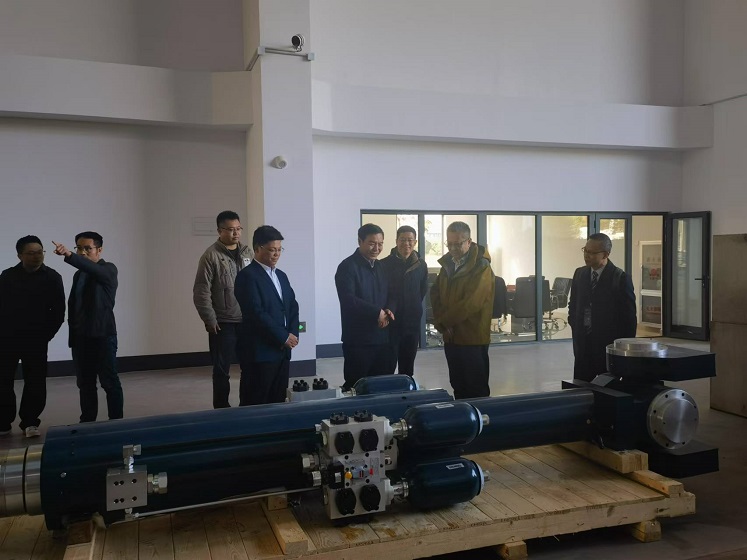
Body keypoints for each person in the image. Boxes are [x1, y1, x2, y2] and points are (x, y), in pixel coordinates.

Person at [53, 232, 122, 422]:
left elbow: (94, 270)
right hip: (81, 338)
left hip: (103, 336)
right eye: (78, 248)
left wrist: (69, 255)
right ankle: (88, 421)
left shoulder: (109, 269)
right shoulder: (79, 274)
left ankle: (117, 422)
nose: (82, 252)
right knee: (85, 383)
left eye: (87, 248)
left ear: (99, 250)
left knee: (109, 382)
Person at [0, 236, 65, 437]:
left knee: (35, 381)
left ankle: (30, 422)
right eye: (31, 253)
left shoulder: (52, 277)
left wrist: (46, 335)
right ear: (20, 255)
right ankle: (3, 421)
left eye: (40, 252)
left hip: (36, 339)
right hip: (7, 338)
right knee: (3, 380)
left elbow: (58, 311)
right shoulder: (7, 277)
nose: (37, 256)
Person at [193, 211, 253, 408]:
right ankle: (221, 408)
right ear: (220, 231)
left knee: (249, 366)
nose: (236, 233)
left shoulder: (247, 252)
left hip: (247, 321)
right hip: (223, 322)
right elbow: (201, 291)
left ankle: (247, 405)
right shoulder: (210, 256)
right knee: (221, 370)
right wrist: (209, 319)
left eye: (238, 229)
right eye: (231, 229)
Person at [235, 226, 299, 405]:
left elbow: (292, 306)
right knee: (256, 401)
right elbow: (255, 312)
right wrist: (283, 336)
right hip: (260, 352)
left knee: (278, 400)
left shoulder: (281, 276)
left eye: (279, 249)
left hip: (282, 351)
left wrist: (293, 334)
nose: (276, 254)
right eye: (272, 250)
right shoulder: (247, 276)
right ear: (257, 248)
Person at [431, 221, 495, 399]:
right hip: (451, 336)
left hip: (472, 336)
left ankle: (478, 416)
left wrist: (444, 322)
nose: (453, 248)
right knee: (458, 384)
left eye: (457, 244)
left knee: (476, 388)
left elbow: (472, 302)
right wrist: (442, 322)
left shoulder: (481, 266)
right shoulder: (448, 264)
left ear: (469, 241)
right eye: (449, 243)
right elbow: (435, 293)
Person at [568, 233, 637, 381]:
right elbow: (573, 304)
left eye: (592, 253)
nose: (586, 255)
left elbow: (629, 317)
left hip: (607, 346)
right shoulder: (580, 274)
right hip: (583, 344)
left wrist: (623, 348)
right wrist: (574, 324)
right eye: (585, 250)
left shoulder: (620, 278)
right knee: (580, 386)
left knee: (607, 387)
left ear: (605, 254)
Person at [335, 223, 394, 390]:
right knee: (357, 386)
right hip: (358, 340)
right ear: (360, 241)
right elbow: (348, 299)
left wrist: (389, 309)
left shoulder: (382, 267)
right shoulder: (347, 267)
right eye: (372, 243)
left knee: (381, 386)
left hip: (382, 338)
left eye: (380, 244)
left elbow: (392, 293)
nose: (377, 248)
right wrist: (376, 312)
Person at [380, 225, 428, 377]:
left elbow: (422, 290)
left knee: (407, 368)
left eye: (410, 240)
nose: (406, 243)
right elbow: (381, 292)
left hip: (412, 323)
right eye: (402, 240)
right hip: (391, 323)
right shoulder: (384, 264)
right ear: (396, 241)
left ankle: (406, 390)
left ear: (415, 242)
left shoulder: (421, 265)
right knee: (387, 366)